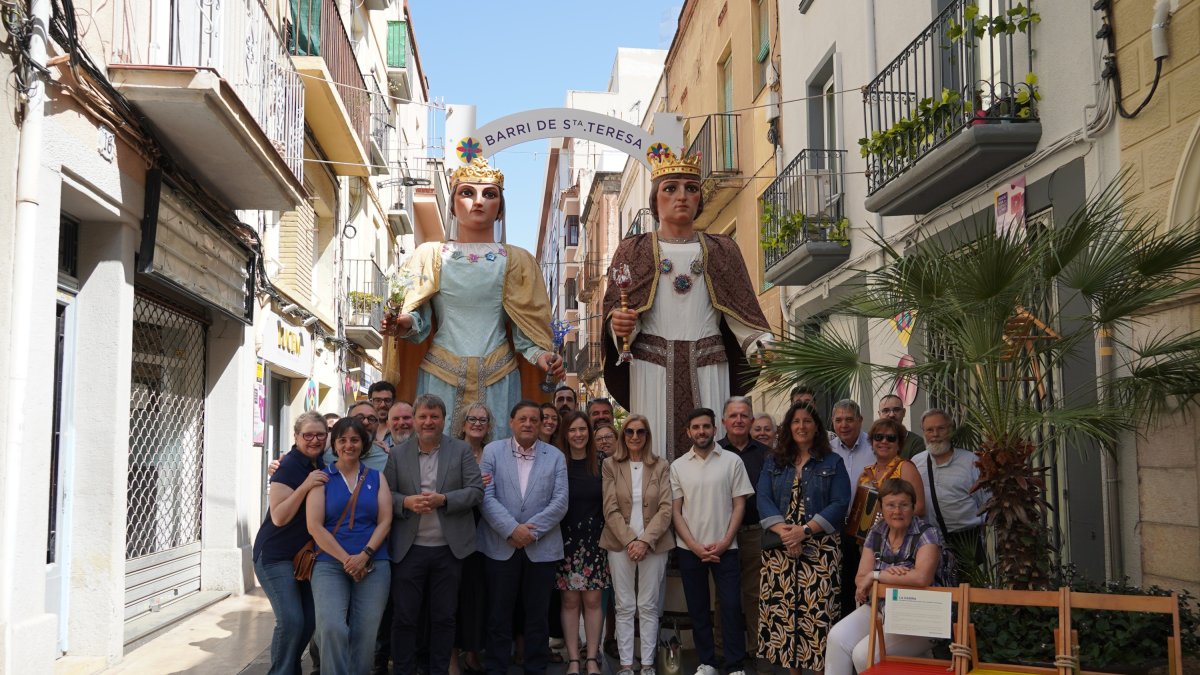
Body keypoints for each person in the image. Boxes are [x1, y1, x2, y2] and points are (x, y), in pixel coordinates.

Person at [604, 150, 772, 460]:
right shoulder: (633, 250)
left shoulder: (723, 249)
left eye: (691, 188)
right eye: (671, 188)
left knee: (711, 458)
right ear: (655, 200)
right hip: (652, 369)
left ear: (699, 199)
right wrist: (620, 326)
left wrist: (764, 346)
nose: (681, 196)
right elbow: (618, 311)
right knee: (653, 456)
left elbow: (744, 314)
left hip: (708, 366)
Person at [382, 157, 564, 435]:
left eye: (489, 194)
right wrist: (403, 323)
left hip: (499, 373)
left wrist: (542, 357)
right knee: (436, 457)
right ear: (453, 205)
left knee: (499, 456)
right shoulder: (430, 255)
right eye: (467, 192)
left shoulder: (519, 261)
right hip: (441, 372)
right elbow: (420, 317)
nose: (478, 201)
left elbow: (526, 330)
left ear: (500, 209)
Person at [383, 394, 484, 675]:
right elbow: (385, 495)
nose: (428, 422)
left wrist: (445, 500)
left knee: (444, 617)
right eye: (423, 416)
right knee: (404, 617)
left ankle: (439, 670)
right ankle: (404, 670)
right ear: (414, 420)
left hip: (449, 550)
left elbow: (477, 491)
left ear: (444, 419)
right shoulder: (398, 454)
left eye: (434, 416)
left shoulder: (461, 451)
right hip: (409, 548)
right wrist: (405, 502)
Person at [757, 402, 850, 674]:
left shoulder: (833, 461)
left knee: (818, 616)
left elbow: (840, 502)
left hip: (820, 550)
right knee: (786, 617)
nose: (801, 426)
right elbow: (763, 498)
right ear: (788, 427)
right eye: (796, 421)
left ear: (817, 427)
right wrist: (787, 533)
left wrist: (804, 531)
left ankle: (821, 670)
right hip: (780, 549)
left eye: (807, 421)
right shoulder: (774, 461)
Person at [479, 400, 570, 675]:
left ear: (541, 423)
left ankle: (535, 667)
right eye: (523, 419)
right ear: (511, 422)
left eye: (534, 419)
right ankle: (496, 667)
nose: (528, 424)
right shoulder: (492, 451)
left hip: (541, 547)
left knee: (537, 615)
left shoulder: (554, 456)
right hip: (499, 545)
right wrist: (511, 529)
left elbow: (560, 501)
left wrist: (530, 531)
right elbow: (484, 495)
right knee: (498, 613)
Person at [825, 479, 943, 673]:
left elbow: (922, 578)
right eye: (890, 505)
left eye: (904, 505)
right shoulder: (877, 531)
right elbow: (861, 578)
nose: (897, 511)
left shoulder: (927, 534)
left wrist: (877, 575)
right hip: (881, 608)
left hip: (920, 617)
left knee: (865, 654)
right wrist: (885, 575)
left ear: (913, 507)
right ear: (881, 507)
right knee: (837, 637)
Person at [671, 408, 756, 675]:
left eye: (706, 426)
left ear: (714, 430)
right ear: (688, 432)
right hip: (689, 549)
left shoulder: (732, 461)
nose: (701, 431)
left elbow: (739, 505)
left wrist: (725, 541)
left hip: (726, 547)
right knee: (698, 609)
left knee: (731, 607)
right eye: (696, 427)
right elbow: (675, 511)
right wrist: (695, 546)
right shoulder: (678, 466)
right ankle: (706, 662)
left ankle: (734, 665)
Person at [307, 417, 393, 675]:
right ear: (334, 445)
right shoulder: (321, 478)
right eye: (342, 440)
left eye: (354, 440)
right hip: (329, 564)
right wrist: (348, 559)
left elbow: (385, 520)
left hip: (373, 564)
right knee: (331, 626)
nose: (348, 445)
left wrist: (364, 555)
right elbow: (315, 526)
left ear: (363, 444)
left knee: (366, 633)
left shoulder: (377, 478)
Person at [253, 411, 329, 675]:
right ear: (296, 437)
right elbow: (279, 516)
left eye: (320, 434)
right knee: (292, 620)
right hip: (274, 555)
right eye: (307, 435)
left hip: (302, 557)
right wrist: (306, 486)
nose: (314, 439)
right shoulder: (289, 466)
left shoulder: (319, 461)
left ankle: (289, 668)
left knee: (308, 622)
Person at [601, 414, 673, 675]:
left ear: (647, 435)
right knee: (624, 605)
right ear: (623, 435)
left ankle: (647, 665)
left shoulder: (661, 465)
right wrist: (631, 540)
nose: (634, 436)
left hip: (654, 544)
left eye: (640, 432)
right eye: (629, 431)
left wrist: (644, 541)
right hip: (619, 544)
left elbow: (666, 509)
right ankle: (626, 665)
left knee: (649, 605)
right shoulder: (610, 465)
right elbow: (609, 509)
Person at [715, 397, 771, 675]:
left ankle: (758, 650)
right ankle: (723, 651)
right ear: (723, 421)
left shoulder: (765, 453)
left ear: (751, 421)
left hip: (753, 533)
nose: (738, 420)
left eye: (744, 415)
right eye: (733, 415)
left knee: (755, 593)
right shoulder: (714, 452)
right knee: (724, 596)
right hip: (720, 533)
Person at [555, 411, 610, 675]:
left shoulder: (602, 462)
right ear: (565, 434)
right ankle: (574, 659)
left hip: (594, 541)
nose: (578, 435)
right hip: (563, 542)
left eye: (583, 430)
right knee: (569, 602)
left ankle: (591, 658)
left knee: (593, 600)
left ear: (589, 432)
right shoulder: (557, 462)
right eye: (573, 430)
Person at [911, 409, 987, 578]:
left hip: (967, 542)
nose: (935, 434)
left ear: (950, 429)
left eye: (941, 428)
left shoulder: (972, 462)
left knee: (967, 595)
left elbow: (986, 503)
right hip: (928, 542)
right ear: (923, 432)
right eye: (929, 430)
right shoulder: (916, 462)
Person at [454, 403, 494, 675]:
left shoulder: (493, 453)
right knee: (453, 598)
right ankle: (451, 657)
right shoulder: (452, 451)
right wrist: (473, 486)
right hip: (457, 533)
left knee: (479, 597)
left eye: (483, 419)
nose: (477, 423)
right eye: (472, 419)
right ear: (463, 423)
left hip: (488, 534)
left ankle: (473, 653)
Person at [829, 399, 872, 618]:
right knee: (842, 584)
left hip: (868, 530)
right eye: (839, 420)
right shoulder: (826, 450)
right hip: (837, 526)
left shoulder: (875, 445)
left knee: (867, 585)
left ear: (860, 420)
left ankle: (869, 637)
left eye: (849, 419)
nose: (844, 425)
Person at [857, 418, 925, 520]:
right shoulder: (866, 473)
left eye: (891, 438)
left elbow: (919, 508)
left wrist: (888, 520)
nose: (884, 441)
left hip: (899, 533)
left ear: (899, 444)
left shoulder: (905, 468)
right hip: (869, 535)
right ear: (872, 442)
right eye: (878, 437)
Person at [324, 401, 390, 470]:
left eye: (371, 419)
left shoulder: (386, 458)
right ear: (347, 421)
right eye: (359, 417)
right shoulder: (327, 454)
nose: (365, 422)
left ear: (377, 425)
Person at [877, 395, 925, 460]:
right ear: (879, 414)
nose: (891, 415)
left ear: (904, 412)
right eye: (886, 411)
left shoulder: (916, 443)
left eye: (896, 410)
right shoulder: (873, 442)